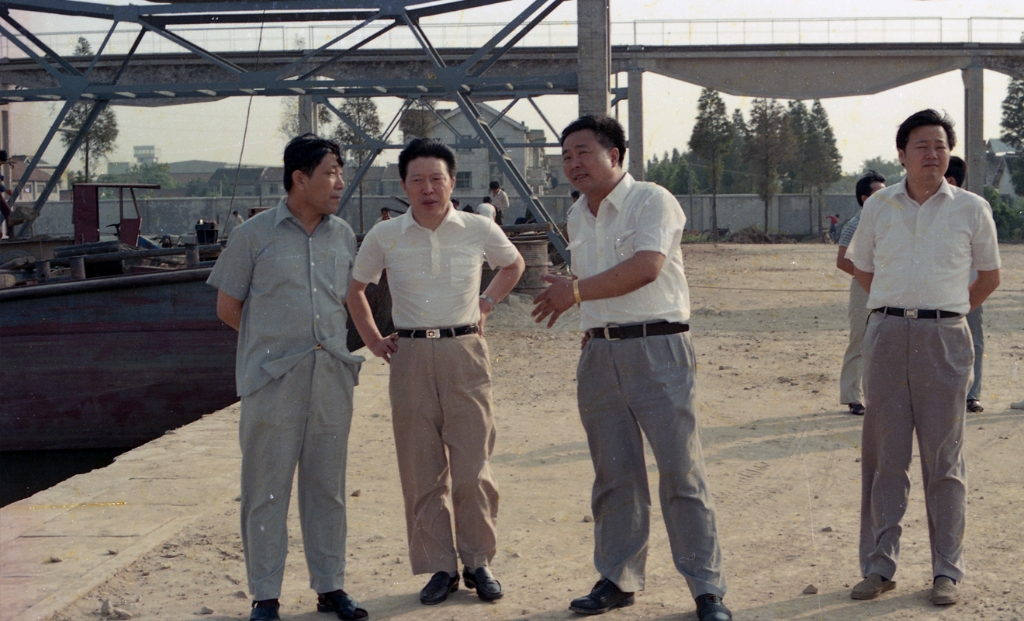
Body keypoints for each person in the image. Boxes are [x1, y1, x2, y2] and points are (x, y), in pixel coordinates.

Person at [531, 115, 732, 621]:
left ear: (615, 155)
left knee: (681, 472)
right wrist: (589, 317)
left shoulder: (652, 200)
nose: (573, 163)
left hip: (657, 348)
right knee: (614, 474)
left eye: (584, 152)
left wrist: (576, 292)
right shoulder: (577, 215)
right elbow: (593, 284)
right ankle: (618, 578)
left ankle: (707, 589)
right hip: (600, 354)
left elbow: (647, 267)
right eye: (566, 155)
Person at [346, 138, 525, 607]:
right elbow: (356, 290)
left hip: (465, 352)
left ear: (451, 182)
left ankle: (478, 562)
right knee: (420, 467)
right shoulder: (384, 235)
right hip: (409, 356)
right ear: (404, 185)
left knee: (473, 467)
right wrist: (373, 339)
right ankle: (440, 567)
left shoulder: (477, 228)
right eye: (418, 180)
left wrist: (486, 302)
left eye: (437, 179)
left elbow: (513, 265)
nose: (428, 188)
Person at [206, 134, 369, 621]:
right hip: (273, 381)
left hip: (332, 377)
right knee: (266, 490)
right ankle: (265, 596)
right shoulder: (252, 235)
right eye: (330, 173)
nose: (339, 182)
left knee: (328, 487)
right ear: (299, 178)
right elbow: (228, 307)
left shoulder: (344, 235)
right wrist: (273, 347)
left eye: (340, 172)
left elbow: (347, 300)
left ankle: (330, 586)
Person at [847, 110, 1000, 607]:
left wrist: (946, 312)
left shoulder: (972, 208)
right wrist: (896, 307)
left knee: (944, 459)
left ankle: (945, 571)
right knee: (885, 457)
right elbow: (860, 266)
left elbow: (989, 277)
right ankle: (879, 565)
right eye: (922, 146)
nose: (933, 155)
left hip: (946, 339)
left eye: (940, 146)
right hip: (887, 336)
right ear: (901, 154)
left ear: (949, 153)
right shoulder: (879, 206)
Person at [836, 171, 886, 416]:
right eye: (879, 193)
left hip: (889, 289)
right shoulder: (855, 224)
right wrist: (870, 280)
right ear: (865, 198)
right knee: (860, 341)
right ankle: (853, 397)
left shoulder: (889, 222)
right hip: (864, 289)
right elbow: (843, 261)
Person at [944, 156, 985, 413]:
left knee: (972, 342)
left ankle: (972, 394)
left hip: (968, 289)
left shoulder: (973, 210)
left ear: (950, 180)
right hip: (934, 293)